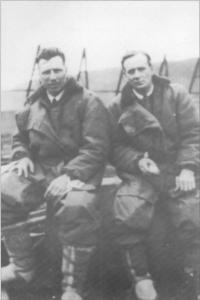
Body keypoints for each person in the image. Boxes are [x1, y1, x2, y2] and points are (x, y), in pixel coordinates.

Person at [1, 47, 110, 300]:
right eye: (46, 72)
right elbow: (20, 138)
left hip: (78, 170)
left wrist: (70, 175)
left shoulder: (88, 100)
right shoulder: (33, 103)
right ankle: (22, 267)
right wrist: (22, 155)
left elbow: (97, 147)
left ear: (66, 70)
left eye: (57, 70)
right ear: (40, 75)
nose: (52, 76)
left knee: (77, 206)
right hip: (42, 170)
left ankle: (71, 288)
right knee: (4, 192)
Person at [109, 51, 200, 300]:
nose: (137, 75)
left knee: (192, 212)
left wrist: (188, 167)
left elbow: (193, 134)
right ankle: (141, 279)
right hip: (143, 173)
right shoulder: (118, 105)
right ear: (125, 75)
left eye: (141, 69)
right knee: (128, 209)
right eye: (131, 71)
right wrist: (138, 160)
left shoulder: (176, 93)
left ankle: (194, 273)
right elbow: (115, 148)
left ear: (151, 69)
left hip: (176, 168)